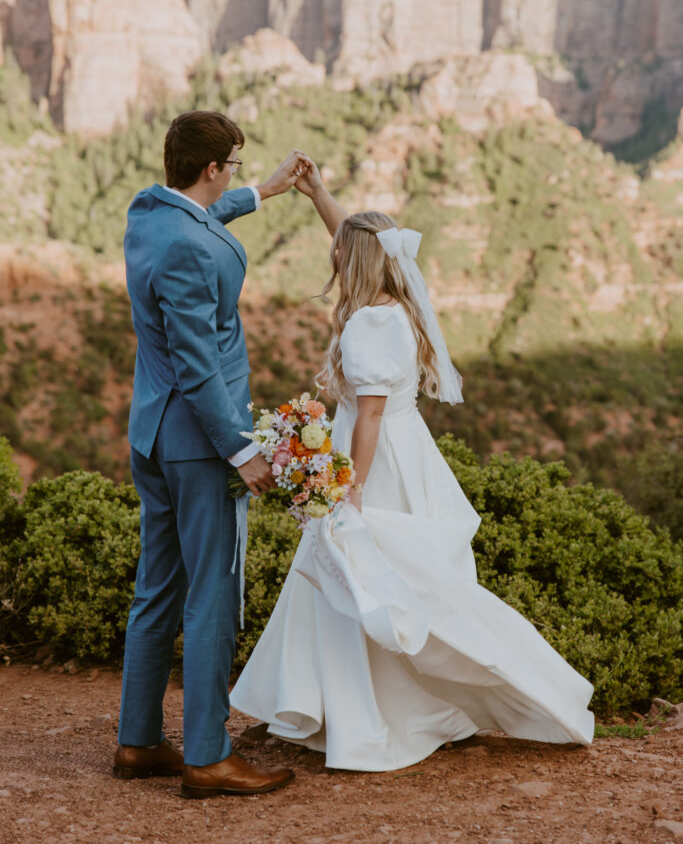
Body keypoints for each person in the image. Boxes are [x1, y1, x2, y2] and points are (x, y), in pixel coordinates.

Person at [231, 162, 595, 772]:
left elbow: (367, 417)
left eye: (340, 252)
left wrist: (350, 491)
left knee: (363, 571)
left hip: (378, 459)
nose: (333, 256)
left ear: (355, 262)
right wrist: (317, 193)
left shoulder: (372, 322)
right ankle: (343, 704)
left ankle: (374, 714)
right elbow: (355, 239)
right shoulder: (393, 304)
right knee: (378, 579)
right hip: (407, 447)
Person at [114, 110, 312, 798]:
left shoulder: (149, 216)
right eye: (230, 167)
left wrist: (262, 191)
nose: (229, 176)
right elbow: (199, 363)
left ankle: (138, 742)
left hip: (152, 432)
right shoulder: (193, 251)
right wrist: (239, 450)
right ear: (209, 168)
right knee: (214, 597)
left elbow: (199, 218)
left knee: (158, 589)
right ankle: (207, 754)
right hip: (201, 443)